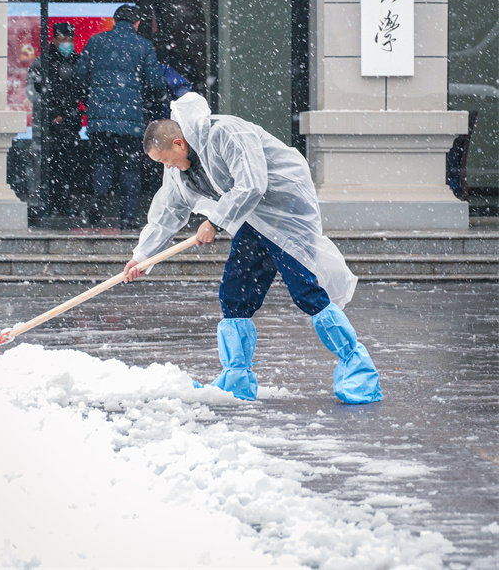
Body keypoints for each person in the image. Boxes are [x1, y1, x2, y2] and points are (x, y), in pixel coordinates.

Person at [123, 92, 382, 404]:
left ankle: (358, 368)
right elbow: (169, 211)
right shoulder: (178, 173)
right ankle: (236, 378)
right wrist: (142, 257)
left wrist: (215, 222)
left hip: (284, 214)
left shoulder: (226, 133)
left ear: (178, 143)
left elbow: (252, 184)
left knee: (306, 291)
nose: (167, 166)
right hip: (251, 221)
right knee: (235, 293)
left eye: (165, 159)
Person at [74, 4, 167, 229]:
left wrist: (92, 100)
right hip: (131, 120)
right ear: (137, 24)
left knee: (102, 163)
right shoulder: (143, 46)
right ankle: (127, 218)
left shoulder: (96, 42)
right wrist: (143, 99)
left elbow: (79, 75)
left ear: (115, 21)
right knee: (130, 168)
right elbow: (155, 82)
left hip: (100, 118)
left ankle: (98, 204)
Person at [26, 22, 82, 215]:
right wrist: (51, 114)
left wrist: (68, 115)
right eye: (65, 39)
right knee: (47, 165)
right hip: (47, 126)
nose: (68, 43)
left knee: (68, 166)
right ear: (56, 39)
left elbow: (80, 90)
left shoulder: (76, 60)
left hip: (70, 124)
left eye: (71, 39)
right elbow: (33, 92)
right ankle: (45, 203)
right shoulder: (44, 62)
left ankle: (63, 203)